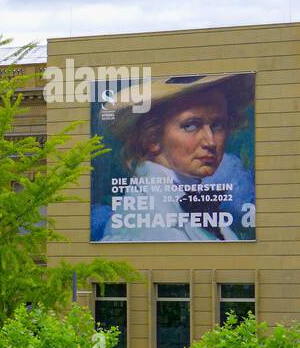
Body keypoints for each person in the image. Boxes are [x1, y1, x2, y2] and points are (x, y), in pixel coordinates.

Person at [100, 73, 254, 243]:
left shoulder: (193, 201)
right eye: (191, 126)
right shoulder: (138, 228)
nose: (210, 141)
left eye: (218, 125)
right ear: (152, 137)